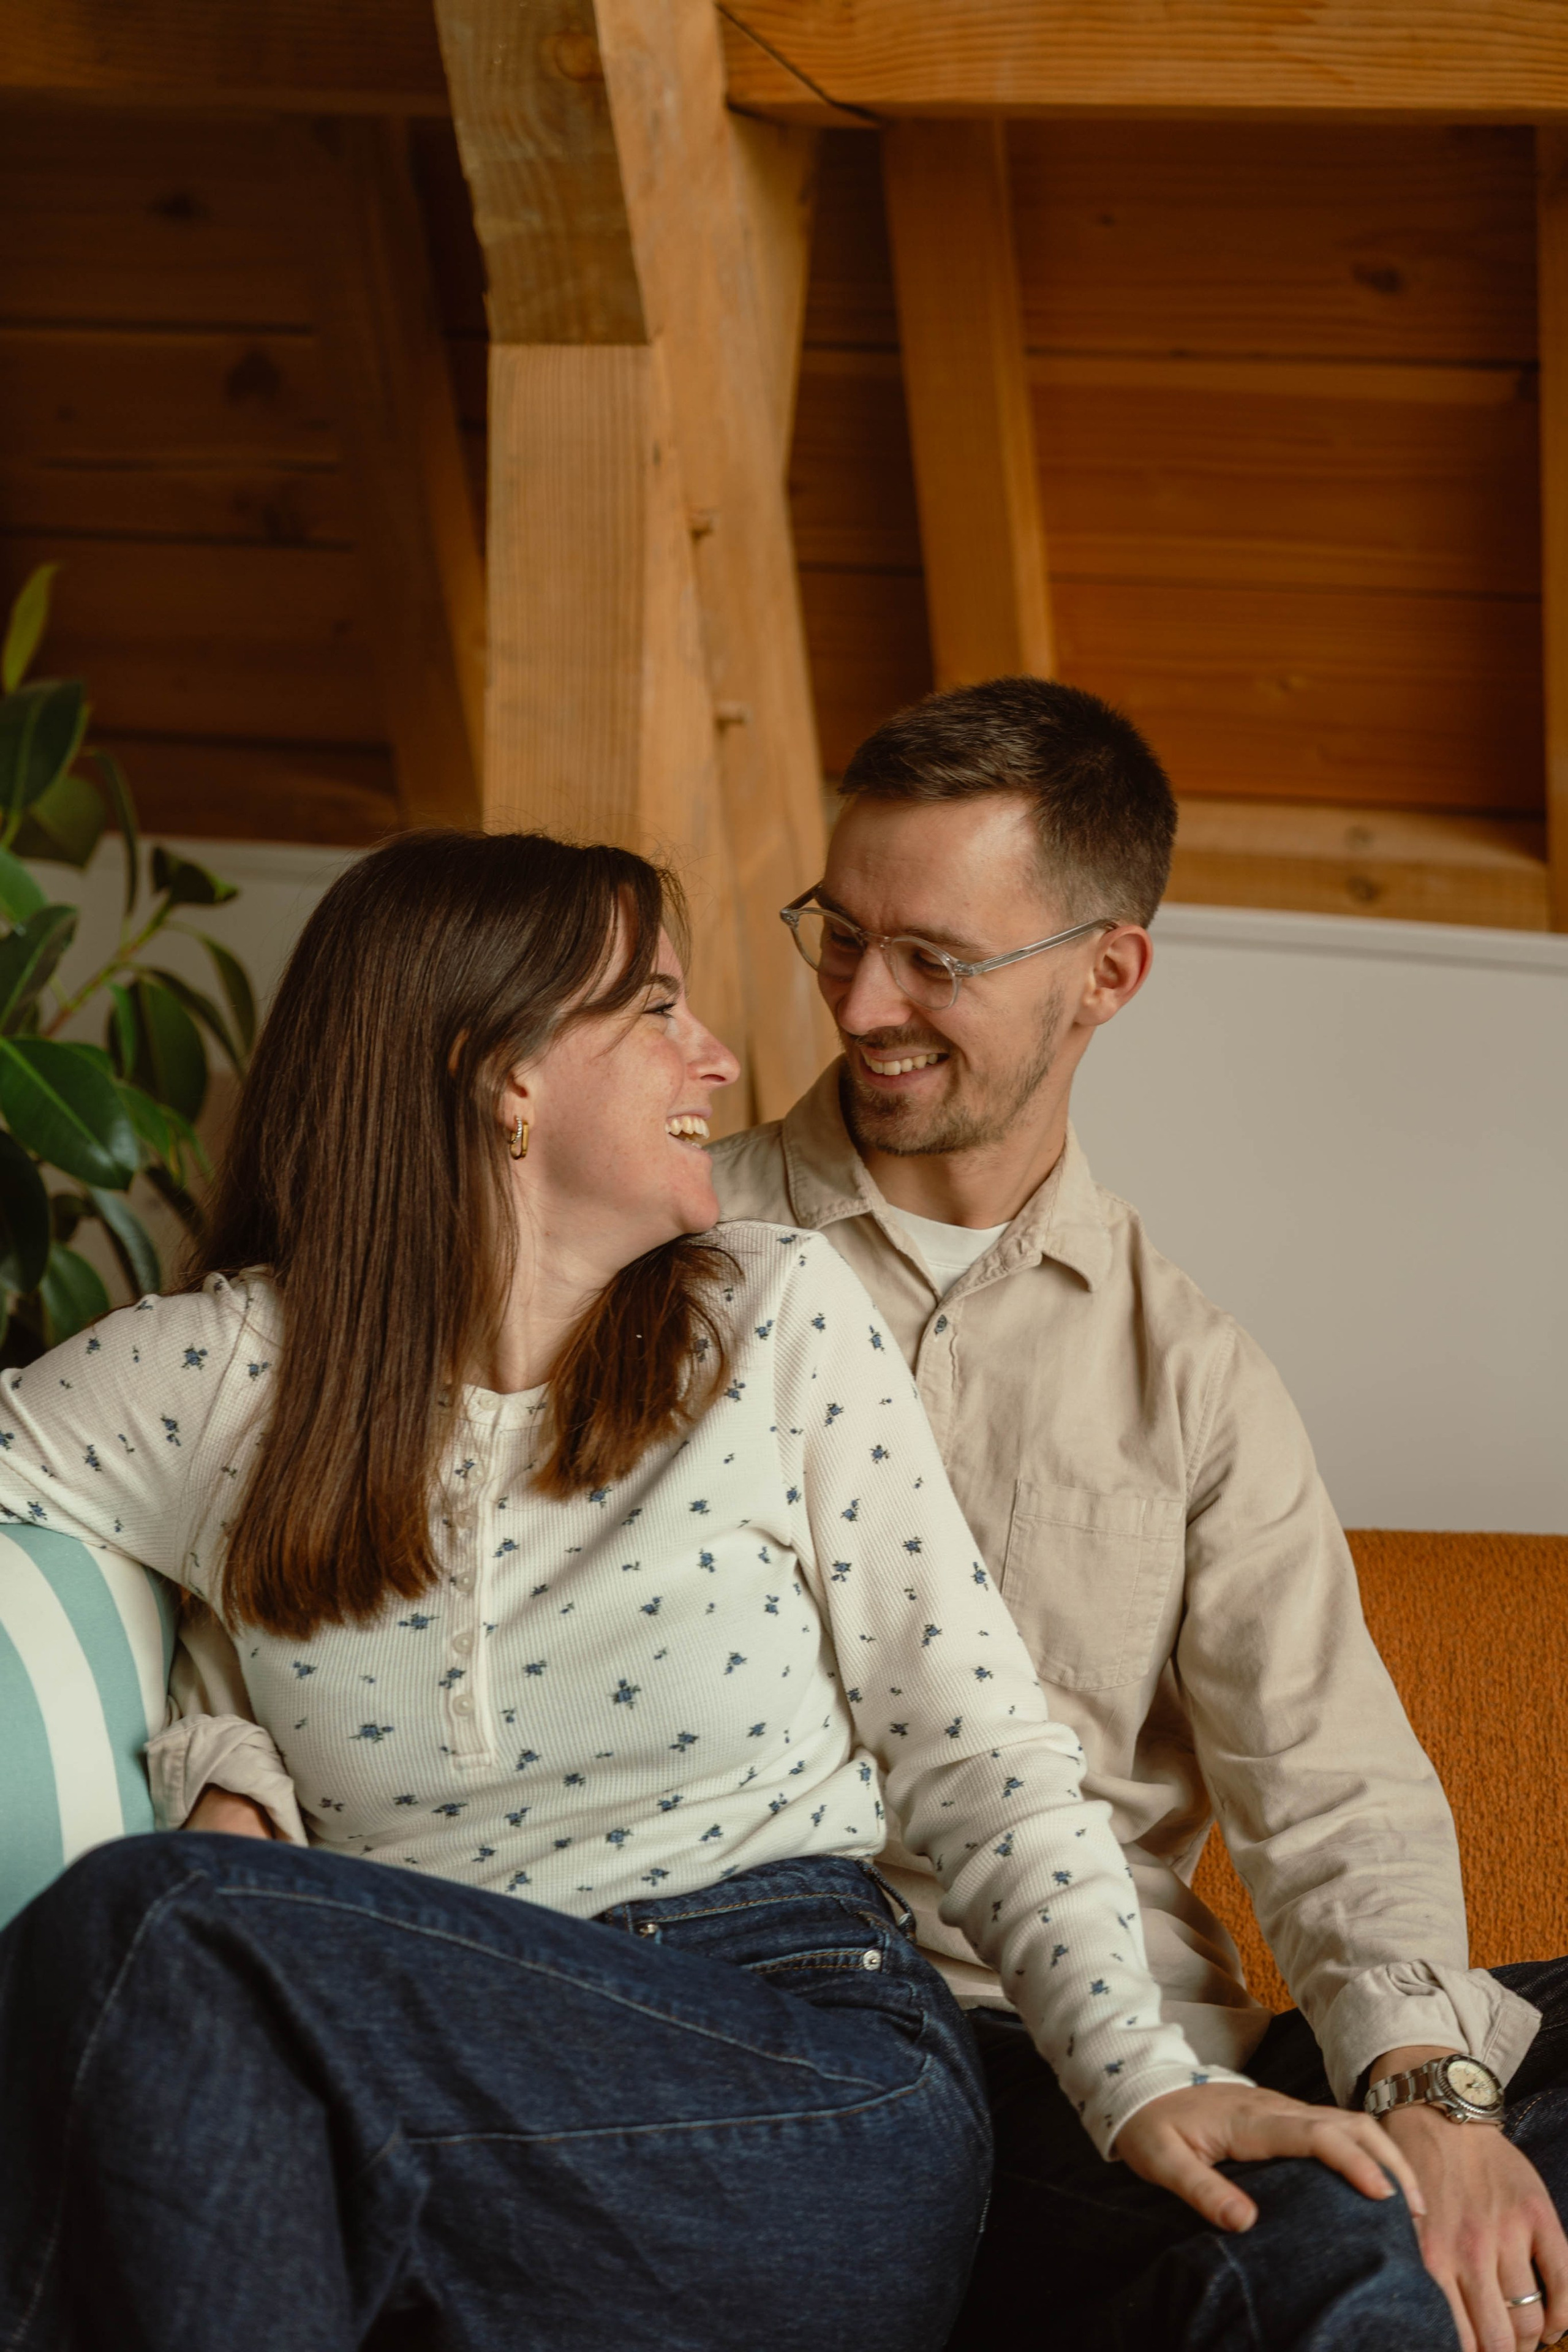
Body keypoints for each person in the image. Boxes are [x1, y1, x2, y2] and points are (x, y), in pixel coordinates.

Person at [0, 831, 1416, 2352]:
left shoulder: (771, 1316)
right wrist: (230, 1753)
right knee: (186, 2014)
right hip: (440, 2076)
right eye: (658, 1008)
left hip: (806, 2069)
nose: (722, 1060)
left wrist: (1137, 2076)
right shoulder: (227, 1381)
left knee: (157, 1934)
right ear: (506, 1075)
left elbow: (981, 1753)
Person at [709, 677, 1568, 2352]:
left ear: (1108, 972)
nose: (862, 1001)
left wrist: (1432, 2092)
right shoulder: (680, 1261)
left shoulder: (1191, 1374)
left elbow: (1325, 1783)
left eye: (936, 961)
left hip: (1194, 2033)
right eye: (839, 932)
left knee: (1445, 2144)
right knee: (1322, 2246)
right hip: (941, 2043)